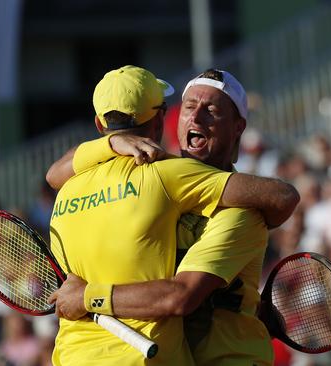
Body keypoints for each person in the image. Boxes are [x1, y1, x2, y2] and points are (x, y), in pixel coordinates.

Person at [46, 65, 298, 365]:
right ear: (162, 119)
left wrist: (86, 297)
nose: (196, 116)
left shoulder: (238, 211)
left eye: (212, 110)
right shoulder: (162, 181)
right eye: (189, 107)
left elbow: (180, 296)